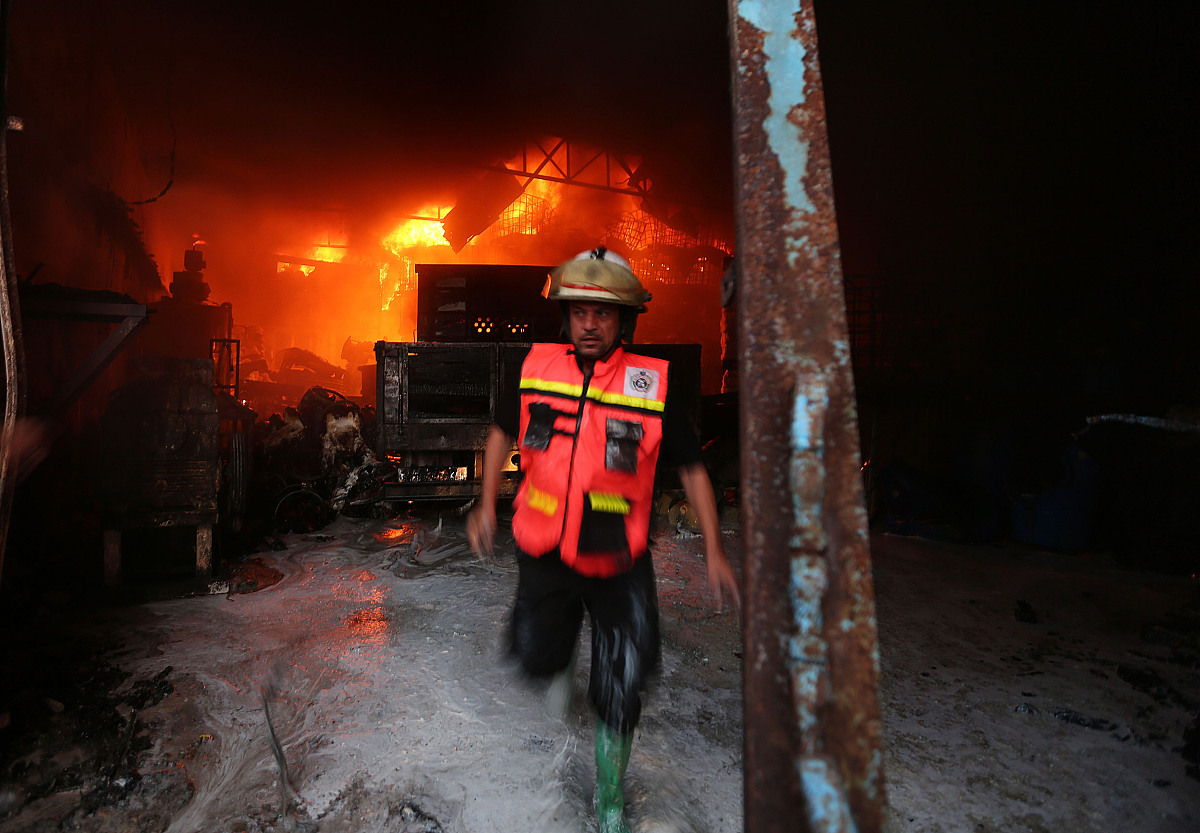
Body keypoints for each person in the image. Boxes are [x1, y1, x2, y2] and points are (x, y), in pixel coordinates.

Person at [467, 247, 739, 833]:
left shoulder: (651, 384)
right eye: (579, 311)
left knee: (620, 687)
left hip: (618, 557)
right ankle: (562, 657)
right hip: (545, 550)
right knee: (537, 655)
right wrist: (486, 504)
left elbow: (693, 469)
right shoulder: (536, 368)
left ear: (625, 321)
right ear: (565, 317)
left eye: (603, 313)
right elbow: (500, 432)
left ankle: (609, 801)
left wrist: (715, 550)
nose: (590, 324)